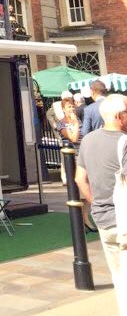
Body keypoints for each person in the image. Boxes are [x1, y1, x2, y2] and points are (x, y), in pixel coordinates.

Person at [75, 93, 127, 315]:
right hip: (123, 219)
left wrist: (96, 204)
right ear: (119, 115)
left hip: (104, 220)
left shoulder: (88, 140)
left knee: (120, 278)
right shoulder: (124, 142)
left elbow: (79, 179)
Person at [57, 90, 80, 184]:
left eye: (73, 106)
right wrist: (76, 124)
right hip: (72, 155)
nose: (72, 109)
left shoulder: (79, 120)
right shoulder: (61, 123)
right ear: (63, 109)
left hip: (82, 152)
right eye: (69, 107)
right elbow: (73, 138)